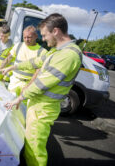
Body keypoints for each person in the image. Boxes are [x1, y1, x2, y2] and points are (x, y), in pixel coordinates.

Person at [4, 13, 82, 166]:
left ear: (56, 31)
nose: (43, 39)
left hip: (43, 108)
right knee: (31, 144)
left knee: (34, 150)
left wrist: (20, 97)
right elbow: (36, 62)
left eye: (45, 35)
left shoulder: (68, 55)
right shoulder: (59, 51)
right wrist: (14, 66)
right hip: (39, 105)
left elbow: (42, 83)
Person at [0, 25, 47, 97]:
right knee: (9, 104)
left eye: (29, 37)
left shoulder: (42, 52)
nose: (26, 39)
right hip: (14, 83)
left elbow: (38, 72)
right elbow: (7, 59)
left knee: (23, 107)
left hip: (27, 85)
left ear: (36, 36)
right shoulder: (18, 46)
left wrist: (28, 86)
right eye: (24, 37)